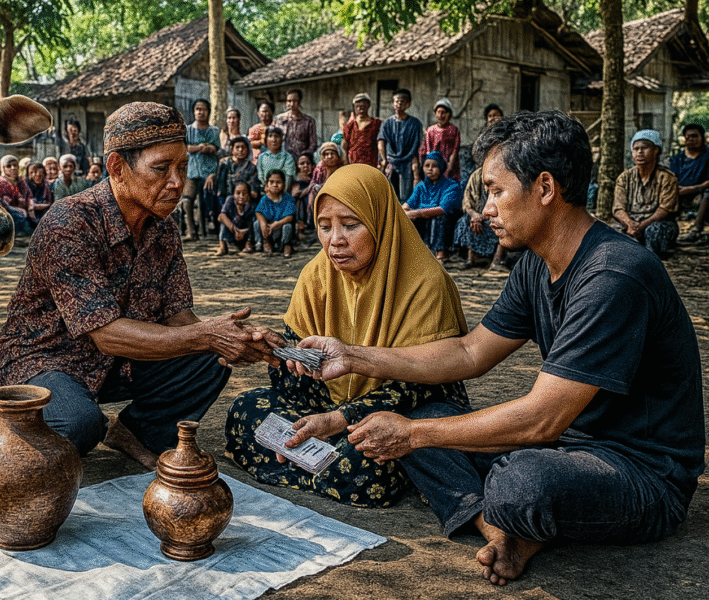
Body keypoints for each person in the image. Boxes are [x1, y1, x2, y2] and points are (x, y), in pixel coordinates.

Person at [288, 110, 704, 587]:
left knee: (514, 481)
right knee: (428, 419)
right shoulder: (535, 265)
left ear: (545, 188)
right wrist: (355, 356)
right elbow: (469, 353)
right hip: (566, 446)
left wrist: (413, 437)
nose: (485, 209)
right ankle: (503, 531)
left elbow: (541, 418)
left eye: (495, 190)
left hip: (642, 473)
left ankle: (510, 517)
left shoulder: (613, 275)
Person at [0, 102, 282, 469]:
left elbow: (178, 315)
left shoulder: (163, 228)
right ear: (117, 167)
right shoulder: (69, 223)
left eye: (181, 167)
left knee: (213, 358)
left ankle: (131, 431)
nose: (177, 182)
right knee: (78, 424)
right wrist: (207, 335)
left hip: (118, 360)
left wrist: (238, 336)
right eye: (161, 169)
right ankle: (33, 417)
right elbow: (107, 335)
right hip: (44, 359)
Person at [226, 164, 468, 507]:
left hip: (397, 414)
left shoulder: (426, 284)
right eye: (324, 227)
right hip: (329, 411)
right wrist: (281, 353)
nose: (335, 240)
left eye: (351, 225)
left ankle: (314, 463)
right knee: (245, 410)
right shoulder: (315, 277)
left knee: (368, 462)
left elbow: (422, 384)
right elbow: (296, 386)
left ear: (380, 220)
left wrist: (341, 419)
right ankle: (324, 465)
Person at [613, 129, 679, 257]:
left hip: (656, 223)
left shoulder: (667, 178)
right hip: (630, 224)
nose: (639, 152)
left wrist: (642, 225)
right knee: (610, 233)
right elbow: (618, 208)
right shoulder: (624, 177)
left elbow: (665, 210)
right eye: (635, 149)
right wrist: (630, 224)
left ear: (656, 150)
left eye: (644, 148)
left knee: (655, 232)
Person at [403, 151, 462, 261]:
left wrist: (416, 212)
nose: (430, 169)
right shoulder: (421, 186)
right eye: (427, 166)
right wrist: (406, 212)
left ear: (441, 167)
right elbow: (407, 205)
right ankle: (414, 252)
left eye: (434, 166)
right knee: (408, 218)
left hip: (445, 220)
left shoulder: (451, 185)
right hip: (424, 220)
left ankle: (441, 253)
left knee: (440, 217)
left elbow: (443, 209)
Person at [179, 98, 221, 241]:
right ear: (194, 111)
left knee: (208, 197)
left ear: (208, 112)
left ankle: (209, 231)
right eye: (197, 109)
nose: (200, 112)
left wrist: (209, 148)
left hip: (209, 171)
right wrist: (198, 147)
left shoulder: (214, 130)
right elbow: (183, 148)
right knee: (187, 200)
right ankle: (191, 232)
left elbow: (216, 148)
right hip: (192, 171)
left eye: (203, 109)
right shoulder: (188, 130)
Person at [453, 167, 507, 271]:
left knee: (504, 223)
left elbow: (503, 205)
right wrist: (474, 216)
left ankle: (497, 260)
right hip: (477, 215)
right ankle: (471, 258)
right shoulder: (476, 175)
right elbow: (467, 203)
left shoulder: (502, 174)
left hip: (496, 214)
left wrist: (483, 217)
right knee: (464, 222)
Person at [378, 89, 422, 201]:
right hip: (391, 162)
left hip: (407, 163)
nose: (399, 104)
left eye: (402, 101)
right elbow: (381, 142)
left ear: (408, 104)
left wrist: (415, 168)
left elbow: (416, 147)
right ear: (393, 103)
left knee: (406, 197)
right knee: (390, 196)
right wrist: (384, 159)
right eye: (396, 101)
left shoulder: (415, 124)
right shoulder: (387, 123)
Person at [672, 123, 709, 246]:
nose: (691, 140)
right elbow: (671, 178)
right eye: (688, 137)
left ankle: (696, 230)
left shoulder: (707, 155)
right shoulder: (677, 158)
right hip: (679, 193)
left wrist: (695, 188)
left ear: (701, 137)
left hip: (701, 193)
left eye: (694, 136)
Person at [205, 135, 261, 207]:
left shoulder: (251, 167)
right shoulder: (224, 163)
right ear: (232, 150)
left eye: (243, 147)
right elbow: (218, 178)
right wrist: (211, 176)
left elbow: (254, 191)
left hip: (243, 199)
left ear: (248, 150)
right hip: (224, 197)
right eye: (237, 147)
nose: (240, 150)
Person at [255, 169, 297, 257]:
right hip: (268, 228)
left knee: (288, 226)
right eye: (271, 182)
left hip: (280, 227)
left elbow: (290, 217)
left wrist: (278, 223)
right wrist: (263, 223)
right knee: (256, 223)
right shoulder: (265, 199)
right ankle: (266, 242)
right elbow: (258, 212)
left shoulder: (287, 198)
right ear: (267, 184)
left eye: (278, 182)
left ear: (284, 185)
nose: (275, 185)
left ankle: (287, 245)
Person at [0, 154, 34, 235]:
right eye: (8, 166)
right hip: (5, 213)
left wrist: (30, 206)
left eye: (15, 165)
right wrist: (16, 209)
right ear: (2, 168)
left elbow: (29, 195)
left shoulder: (20, 181)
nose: (13, 168)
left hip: (23, 212)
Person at [420, 98, 461, 181]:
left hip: (450, 169)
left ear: (449, 115)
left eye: (444, 113)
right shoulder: (430, 130)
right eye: (438, 112)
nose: (441, 115)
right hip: (433, 168)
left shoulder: (454, 130)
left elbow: (455, 151)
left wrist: (448, 169)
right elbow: (428, 151)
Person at [215, 181, 257, 256]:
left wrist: (243, 231)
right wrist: (235, 229)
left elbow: (253, 223)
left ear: (249, 195)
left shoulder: (252, 206)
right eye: (238, 193)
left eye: (244, 194)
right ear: (233, 194)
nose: (241, 196)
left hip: (246, 232)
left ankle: (248, 244)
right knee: (223, 223)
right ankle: (222, 246)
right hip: (233, 230)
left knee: (255, 225)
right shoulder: (230, 200)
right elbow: (221, 216)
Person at [274, 89, 318, 158]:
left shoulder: (308, 121)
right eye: (289, 101)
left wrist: (304, 156)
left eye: (295, 101)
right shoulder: (279, 119)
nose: (291, 104)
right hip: (282, 158)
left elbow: (313, 144)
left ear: (299, 102)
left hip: (301, 159)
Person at [307, 142, 345, 218]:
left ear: (338, 156)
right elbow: (315, 186)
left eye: (332, 154)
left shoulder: (342, 167)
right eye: (326, 154)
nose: (329, 157)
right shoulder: (320, 168)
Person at [342, 92, 381, 167]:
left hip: (371, 162)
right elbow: (345, 143)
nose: (360, 109)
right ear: (354, 107)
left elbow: (380, 143)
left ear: (368, 106)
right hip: (353, 162)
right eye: (358, 106)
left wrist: (380, 160)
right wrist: (345, 159)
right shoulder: (350, 125)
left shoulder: (376, 123)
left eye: (363, 106)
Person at [257, 126, 296, 191]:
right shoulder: (261, 157)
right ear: (266, 139)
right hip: (266, 191)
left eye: (277, 136)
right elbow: (260, 176)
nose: (274, 140)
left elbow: (288, 178)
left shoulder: (288, 157)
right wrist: (268, 189)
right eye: (270, 136)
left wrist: (281, 192)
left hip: (283, 192)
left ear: (282, 139)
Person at [291, 152, 315, 235]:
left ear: (312, 165)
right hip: (300, 208)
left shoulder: (315, 178)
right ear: (297, 166)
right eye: (302, 163)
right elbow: (295, 194)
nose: (305, 166)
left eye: (308, 163)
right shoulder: (295, 179)